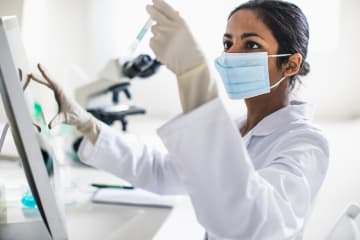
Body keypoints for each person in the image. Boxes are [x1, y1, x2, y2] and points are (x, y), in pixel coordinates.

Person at [29, 0, 329, 239]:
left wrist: (193, 75)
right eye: (228, 44)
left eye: (250, 45)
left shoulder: (305, 143)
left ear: (290, 64)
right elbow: (160, 171)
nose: (232, 55)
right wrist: (88, 125)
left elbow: (253, 223)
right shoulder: (240, 127)